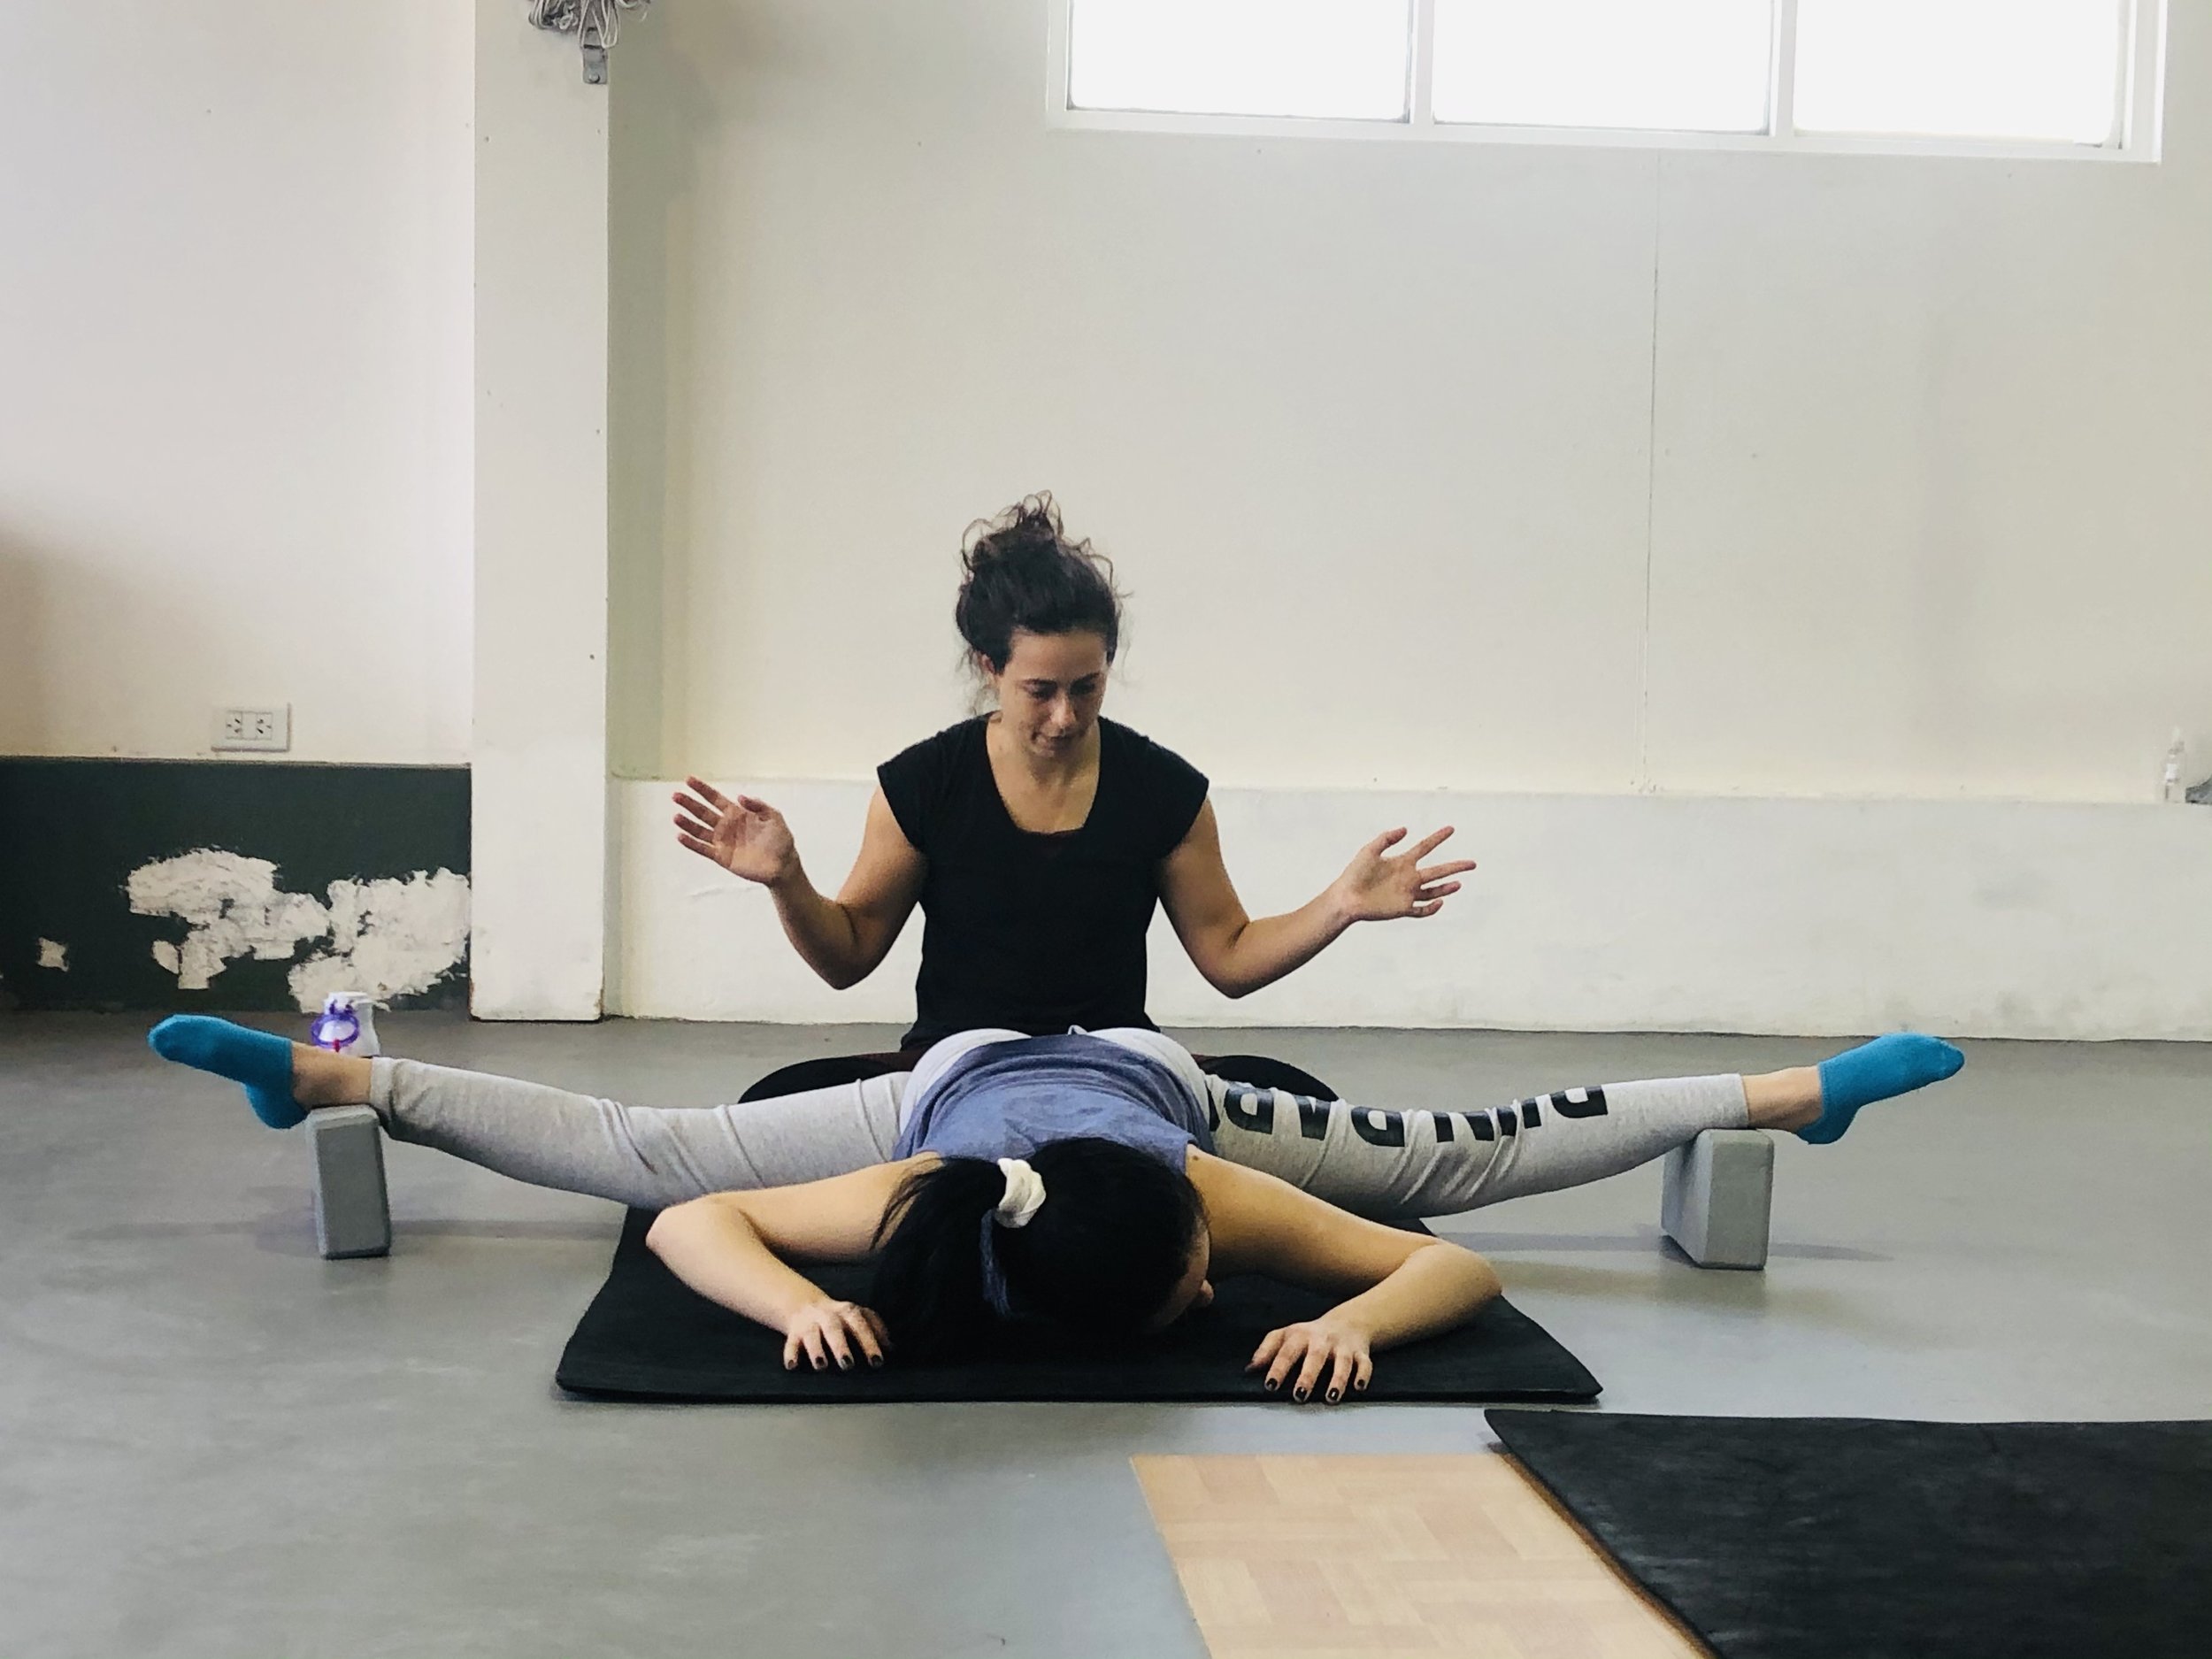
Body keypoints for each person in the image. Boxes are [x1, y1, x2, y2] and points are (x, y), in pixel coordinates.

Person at [149, 1016, 1965, 1400]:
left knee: (1447, 1141)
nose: (1220, 1292)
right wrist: (782, 1298)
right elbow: (678, 1223)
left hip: (1150, 1067)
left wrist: (1346, 1310)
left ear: (1194, 1235)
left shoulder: (1215, 1185)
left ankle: (1791, 1092)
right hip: (944, 1075)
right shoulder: (922, 1189)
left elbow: (1452, 1231)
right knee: (645, 1143)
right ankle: (326, 1074)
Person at [672, 494, 1479, 1053]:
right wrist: (787, 880)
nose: (1064, 715)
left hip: (1114, 1065)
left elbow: (1229, 957)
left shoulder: (1165, 792)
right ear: (989, 667)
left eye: (1086, 687)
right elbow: (848, 957)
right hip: (959, 1065)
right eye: (1040, 691)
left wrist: (1338, 905)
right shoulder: (924, 784)